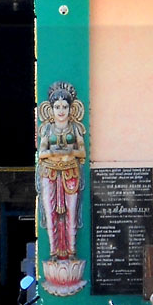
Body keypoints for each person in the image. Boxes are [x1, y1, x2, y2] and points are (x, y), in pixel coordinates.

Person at [36, 81, 86, 261]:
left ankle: (71, 252)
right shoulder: (47, 129)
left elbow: (82, 152)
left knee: (71, 213)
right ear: (50, 109)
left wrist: (69, 152)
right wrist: (55, 152)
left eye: (65, 106)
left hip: (70, 173)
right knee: (51, 213)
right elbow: (41, 153)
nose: (61, 111)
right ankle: (53, 253)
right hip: (49, 173)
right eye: (57, 106)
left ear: (71, 109)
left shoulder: (75, 128)